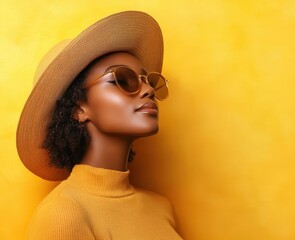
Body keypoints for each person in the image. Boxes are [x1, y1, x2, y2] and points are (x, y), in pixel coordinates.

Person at [16, 11, 183, 239]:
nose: (149, 90)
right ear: (78, 109)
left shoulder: (162, 208)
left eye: (147, 80)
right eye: (121, 80)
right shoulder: (63, 215)